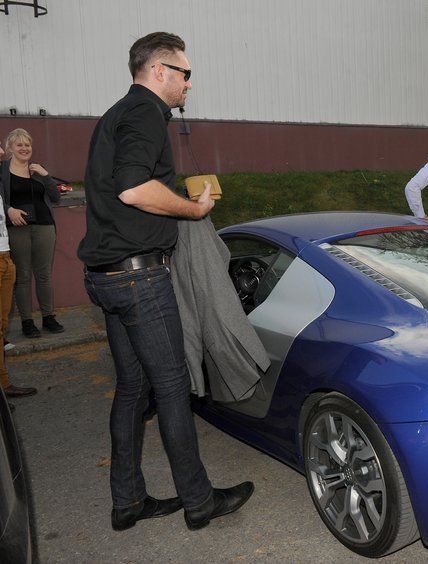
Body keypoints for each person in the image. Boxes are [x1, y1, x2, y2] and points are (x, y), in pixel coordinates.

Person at [77, 31, 253, 532]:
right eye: (185, 73)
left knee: (133, 388)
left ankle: (128, 501)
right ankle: (199, 502)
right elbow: (134, 189)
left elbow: (120, 187)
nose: (188, 85)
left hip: (106, 278)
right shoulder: (146, 113)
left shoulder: (115, 114)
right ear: (160, 71)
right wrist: (193, 209)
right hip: (138, 279)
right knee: (173, 386)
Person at [1, 128, 64, 338]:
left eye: (27, 144)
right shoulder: (2, 171)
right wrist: (8, 209)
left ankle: (48, 317)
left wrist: (46, 176)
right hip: (17, 228)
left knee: (44, 274)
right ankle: (27, 322)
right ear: (10, 148)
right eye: (19, 145)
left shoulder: (38, 171)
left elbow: (56, 197)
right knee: (23, 276)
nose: (24, 148)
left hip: (44, 226)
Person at [0, 145, 37, 399]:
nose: (1, 150)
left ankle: (3, 385)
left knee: (0, 326)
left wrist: (8, 209)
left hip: (4, 254)